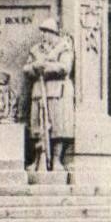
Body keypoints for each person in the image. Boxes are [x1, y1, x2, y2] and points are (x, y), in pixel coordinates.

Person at [23, 16, 75, 172]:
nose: (44, 36)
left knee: (58, 127)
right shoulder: (36, 49)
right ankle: (39, 159)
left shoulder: (64, 47)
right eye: (43, 32)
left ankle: (57, 160)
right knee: (38, 126)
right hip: (40, 91)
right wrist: (34, 67)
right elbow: (26, 68)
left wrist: (44, 67)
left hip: (58, 91)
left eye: (47, 32)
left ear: (54, 34)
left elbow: (65, 68)